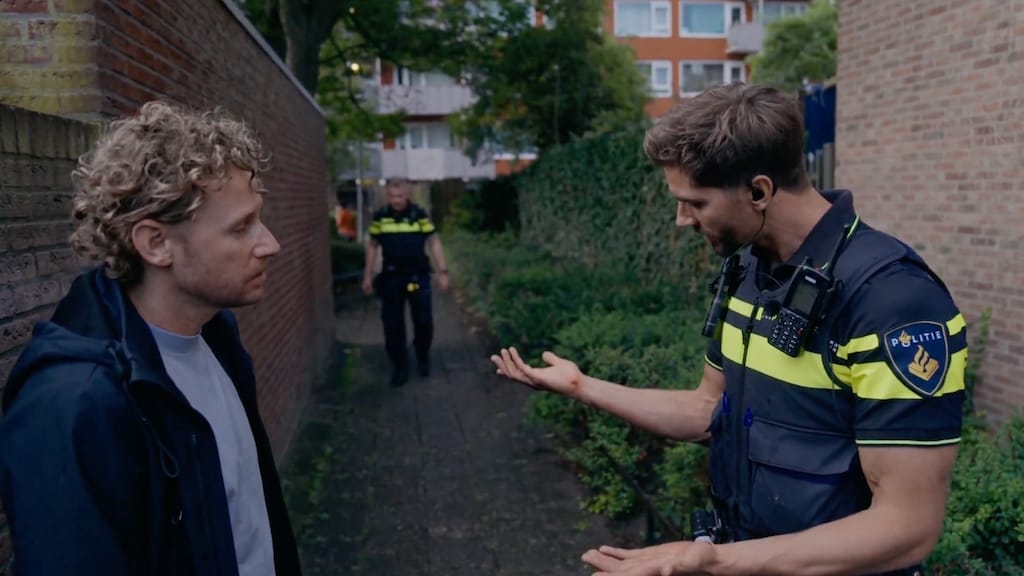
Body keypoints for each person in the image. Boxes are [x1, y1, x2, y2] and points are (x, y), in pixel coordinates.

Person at [491, 83, 964, 576]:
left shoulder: (893, 301)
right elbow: (706, 410)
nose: (681, 219)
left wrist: (719, 561)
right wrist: (581, 386)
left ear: (759, 191)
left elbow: (908, 527)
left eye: (694, 202)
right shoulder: (753, 270)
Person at [0, 101, 301, 575]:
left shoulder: (216, 336)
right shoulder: (75, 407)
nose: (269, 244)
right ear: (155, 243)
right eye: (241, 227)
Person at [362, 178, 450, 386]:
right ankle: (399, 365)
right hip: (392, 278)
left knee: (424, 322)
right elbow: (373, 246)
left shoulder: (419, 215)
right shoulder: (381, 218)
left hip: (418, 276)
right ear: (387, 196)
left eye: (400, 196)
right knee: (393, 326)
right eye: (392, 196)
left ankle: (422, 355)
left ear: (407, 196)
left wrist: (443, 271)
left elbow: (434, 241)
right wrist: (367, 275)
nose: (396, 200)